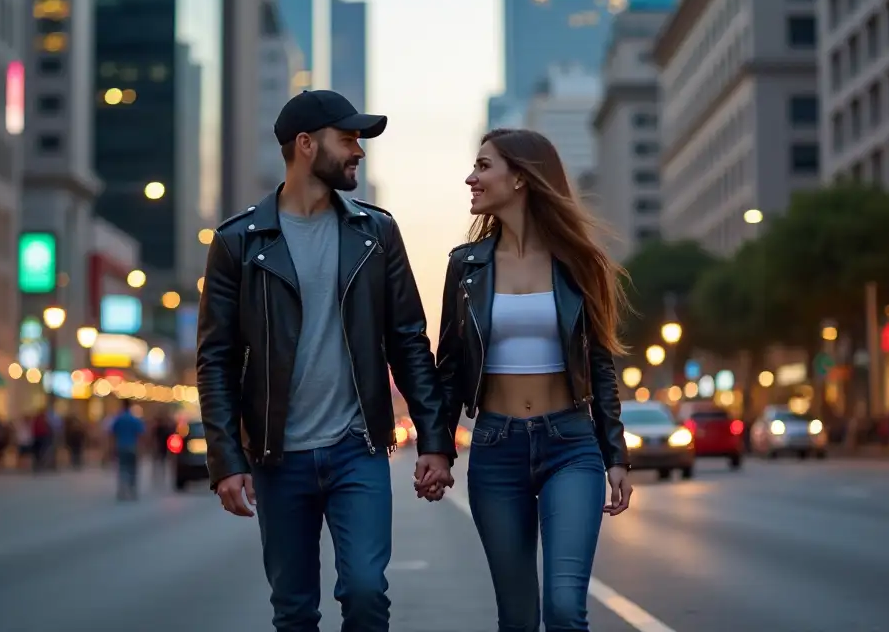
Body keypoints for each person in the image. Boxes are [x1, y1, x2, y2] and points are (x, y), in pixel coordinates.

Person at [197, 89, 456, 631]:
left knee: (365, 591)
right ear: (306, 145)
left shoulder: (376, 233)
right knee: (293, 609)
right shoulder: (237, 243)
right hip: (277, 455)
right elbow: (216, 360)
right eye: (349, 139)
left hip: (355, 447)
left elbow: (408, 339)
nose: (358, 151)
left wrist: (435, 439)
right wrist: (225, 460)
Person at [435, 128, 633, 631]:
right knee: (519, 618)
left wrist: (615, 455)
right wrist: (436, 449)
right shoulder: (466, 267)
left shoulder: (578, 263)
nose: (470, 178)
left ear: (520, 177)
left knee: (566, 608)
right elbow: (451, 367)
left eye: (483, 166)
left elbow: (600, 362)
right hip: (496, 447)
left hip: (570, 444)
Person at [109, 400, 145, 500]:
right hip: (132, 447)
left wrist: (111, 448)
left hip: (121, 446)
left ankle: (122, 489)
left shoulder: (118, 419)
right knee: (132, 469)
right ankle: (132, 489)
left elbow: (112, 434)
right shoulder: (134, 419)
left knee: (122, 468)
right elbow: (140, 434)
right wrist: (141, 449)